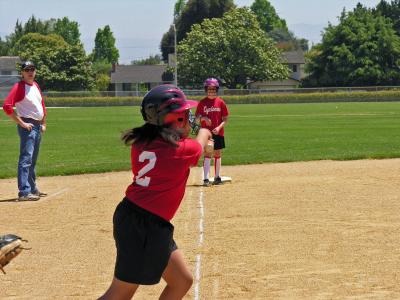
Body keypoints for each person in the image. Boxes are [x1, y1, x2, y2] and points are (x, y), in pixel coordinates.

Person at [98, 85, 212, 300]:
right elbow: (200, 143)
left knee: (181, 281)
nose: (188, 118)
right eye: (184, 115)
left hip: (143, 220)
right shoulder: (180, 150)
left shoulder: (142, 141)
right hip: (144, 225)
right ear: (174, 119)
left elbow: (186, 147)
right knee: (121, 292)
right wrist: (205, 131)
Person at [2, 61, 47, 201]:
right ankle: (24, 192)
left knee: (32, 160)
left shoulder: (36, 85)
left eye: (32, 69)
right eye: (27, 69)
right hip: (28, 127)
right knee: (26, 160)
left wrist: (43, 122)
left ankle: (32, 189)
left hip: (38, 126)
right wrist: (21, 123)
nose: (30, 72)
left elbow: (42, 105)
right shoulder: (19, 87)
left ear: (35, 71)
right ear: (21, 73)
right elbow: (7, 106)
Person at [195, 78, 229, 186]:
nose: (211, 91)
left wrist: (219, 128)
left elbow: (225, 119)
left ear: (216, 90)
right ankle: (205, 179)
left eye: (213, 89)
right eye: (209, 89)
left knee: (218, 154)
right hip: (206, 133)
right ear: (206, 90)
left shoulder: (221, 102)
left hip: (218, 132)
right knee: (208, 153)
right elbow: (196, 119)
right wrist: (204, 118)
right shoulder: (202, 103)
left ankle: (217, 177)